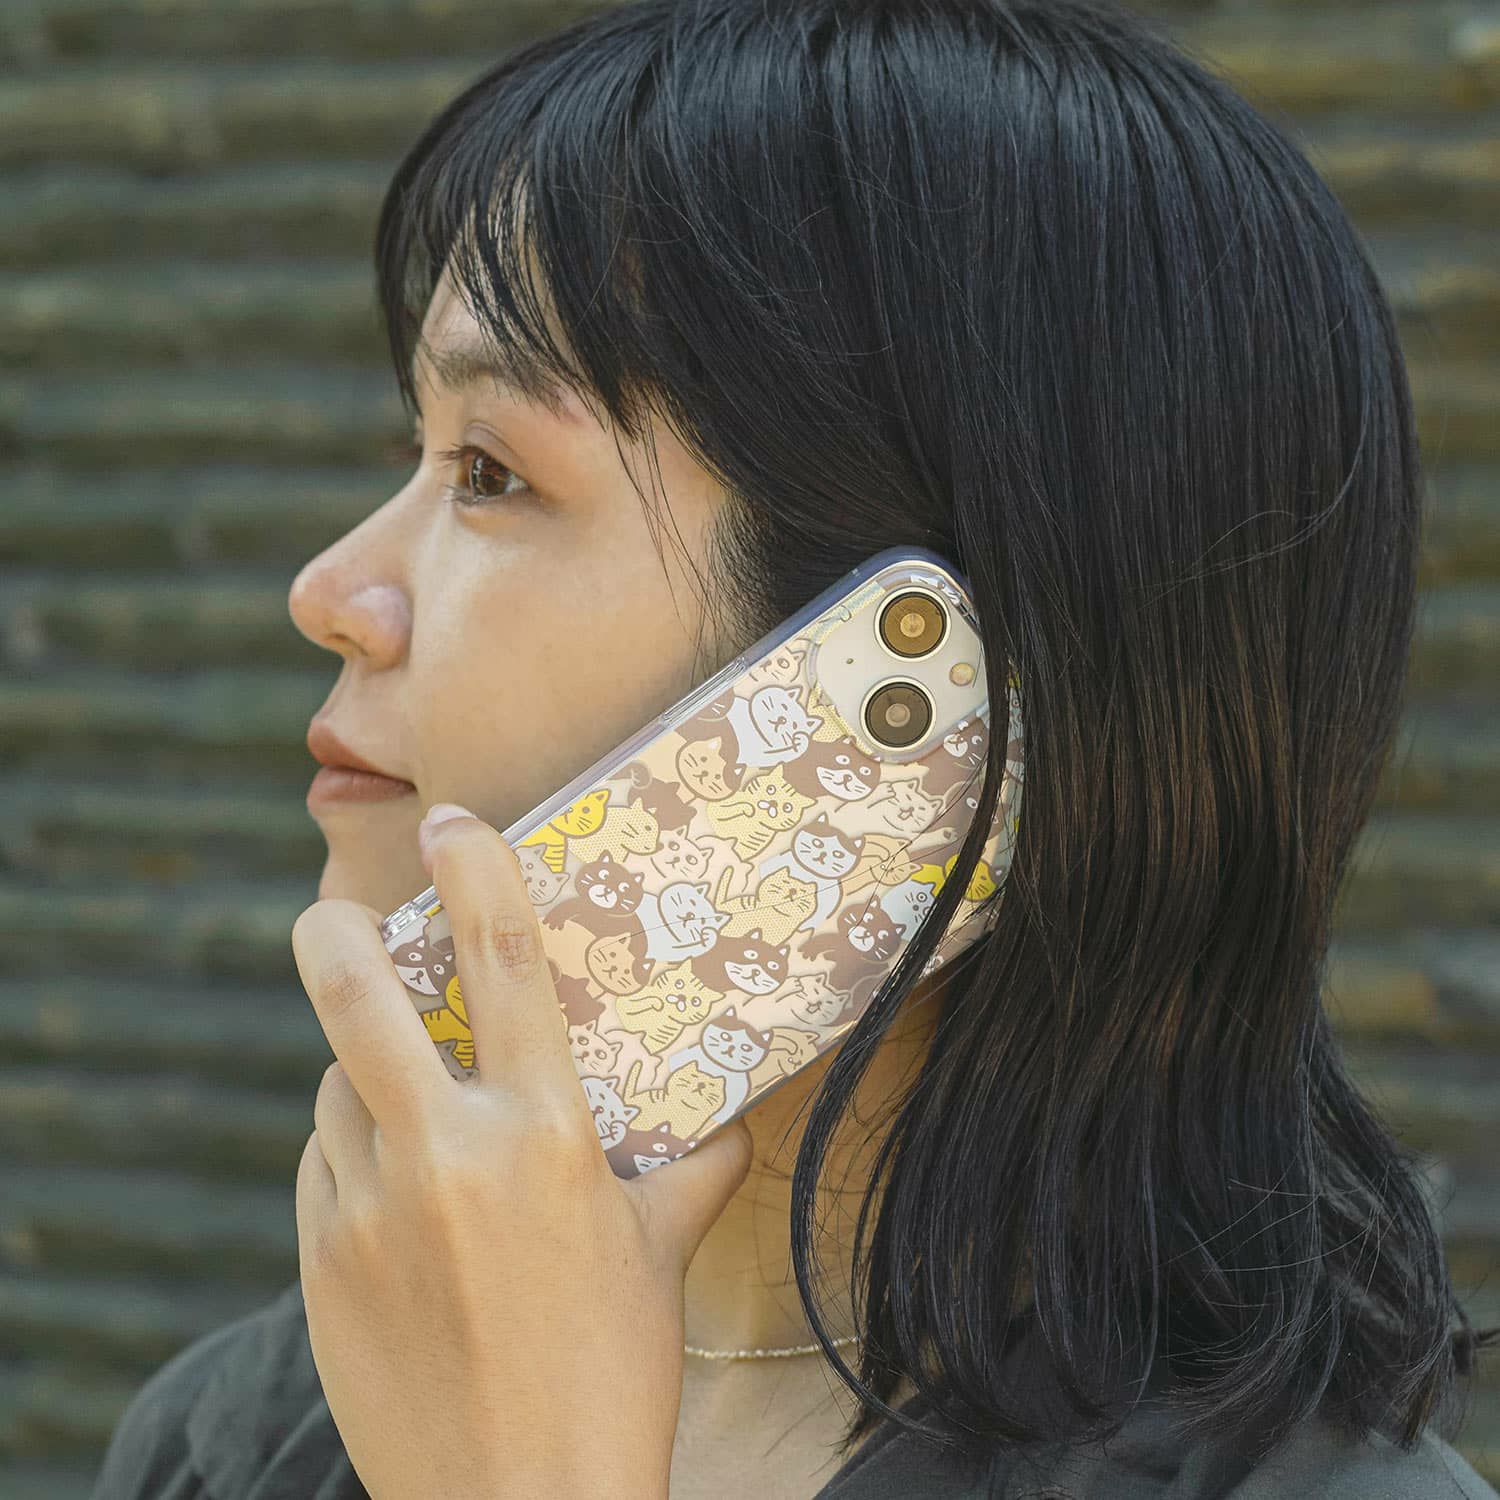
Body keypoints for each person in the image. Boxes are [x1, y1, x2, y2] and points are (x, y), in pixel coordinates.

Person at [89, 0, 1497, 1496]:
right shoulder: (237, 1438)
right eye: (416, 457)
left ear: (936, 696)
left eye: (490, 471)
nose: (330, 591)